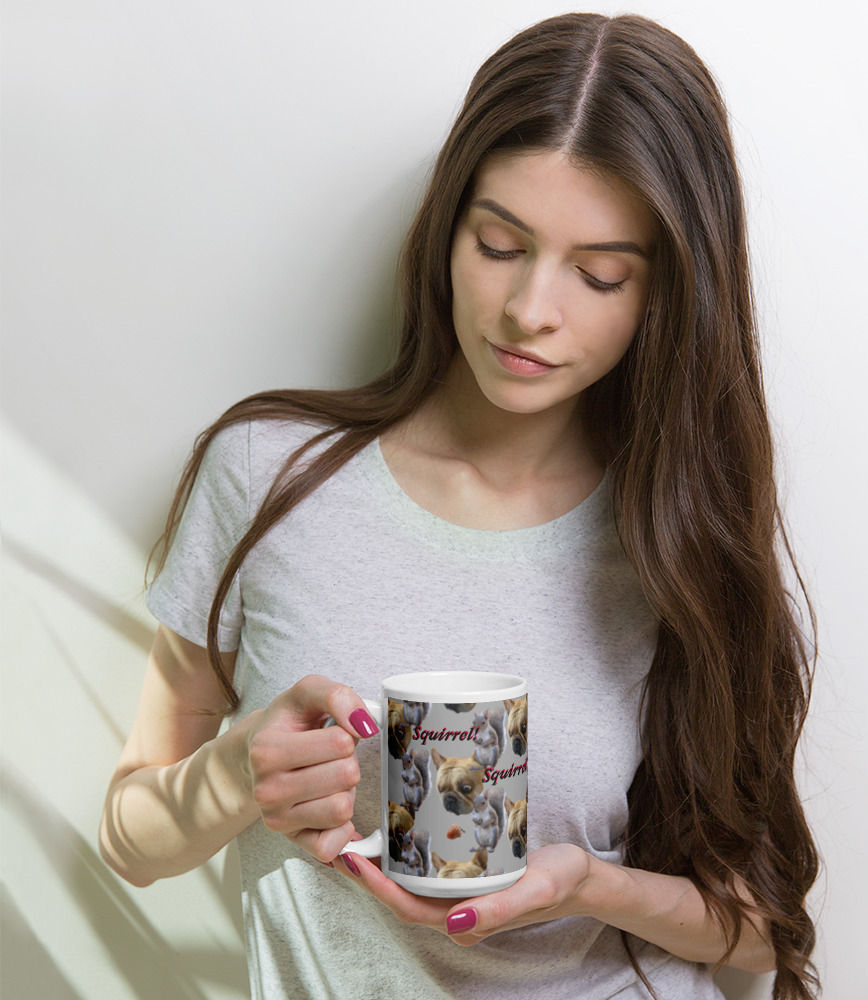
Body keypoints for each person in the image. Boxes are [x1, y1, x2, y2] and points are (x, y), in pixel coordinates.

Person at [99, 12, 819, 1000]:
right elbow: (130, 840)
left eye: (599, 273)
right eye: (497, 243)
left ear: (663, 297)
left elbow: (758, 930)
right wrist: (234, 776)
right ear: (447, 228)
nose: (531, 309)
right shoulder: (266, 476)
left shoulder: (673, 536)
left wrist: (590, 885)